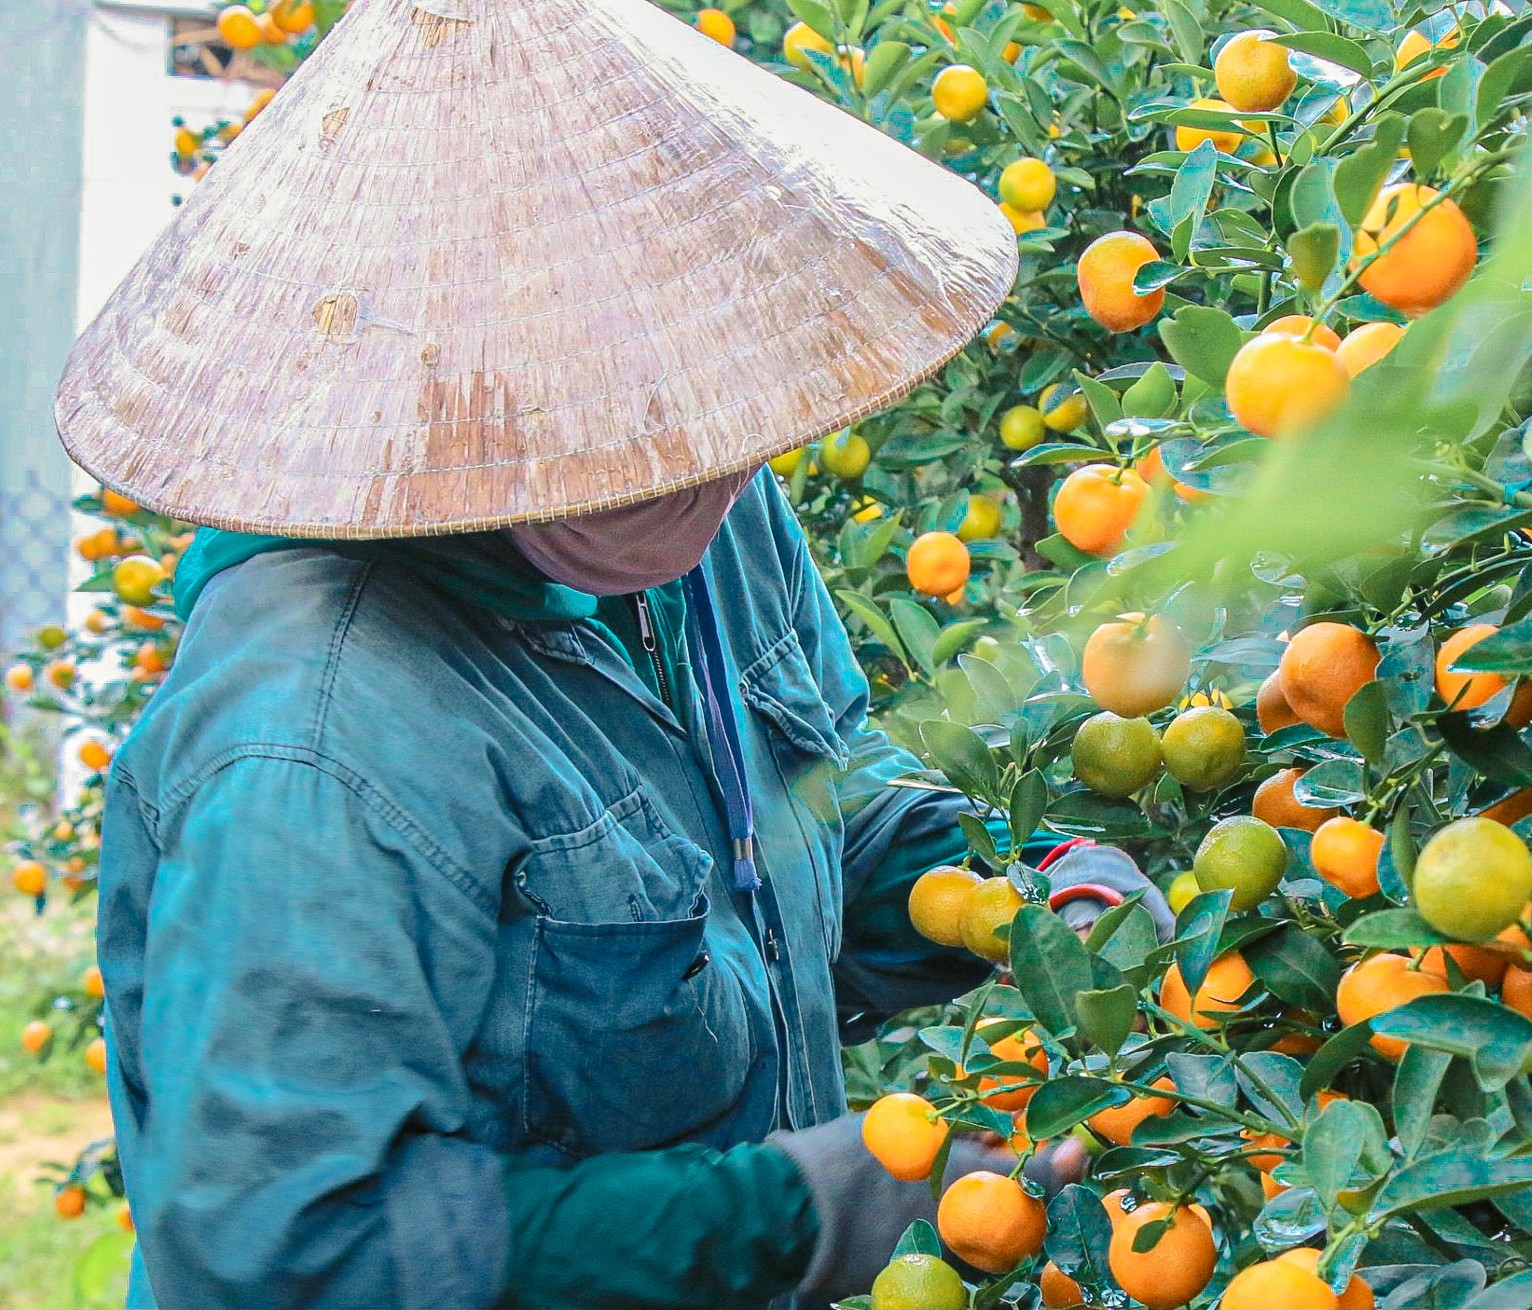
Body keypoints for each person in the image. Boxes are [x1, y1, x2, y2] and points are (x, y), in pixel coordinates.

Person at [54, 2, 1167, 1306]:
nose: (690, 467)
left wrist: (1020, 888)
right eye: (605, 422)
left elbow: (819, 817)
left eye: (699, 403)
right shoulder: (311, 738)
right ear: (425, 383)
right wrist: (781, 1213)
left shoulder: (711, 509)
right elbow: (304, 1251)